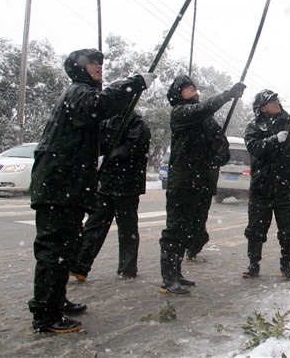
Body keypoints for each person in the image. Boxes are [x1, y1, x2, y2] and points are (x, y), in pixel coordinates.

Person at [28, 48, 156, 333]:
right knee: (54, 248)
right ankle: (45, 315)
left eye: (100, 62)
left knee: (66, 246)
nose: (98, 66)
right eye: (92, 62)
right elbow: (101, 104)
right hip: (58, 184)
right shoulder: (78, 92)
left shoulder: (84, 95)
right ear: (77, 68)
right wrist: (134, 83)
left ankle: (56, 299)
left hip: (69, 185)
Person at [159, 75, 246, 296]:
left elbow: (222, 152)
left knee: (190, 229)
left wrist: (218, 150)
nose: (192, 88)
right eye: (185, 88)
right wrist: (228, 95)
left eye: (193, 86)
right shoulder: (180, 113)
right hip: (183, 181)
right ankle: (168, 278)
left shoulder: (206, 120)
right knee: (175, 229)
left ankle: (177, 273)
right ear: (177, 95)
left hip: (202, 183)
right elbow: (203, 109)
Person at [242, 89, 290, 280]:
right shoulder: (253, 126)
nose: (276, 102)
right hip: (262, 187)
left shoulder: (287, 122)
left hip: (285, 187)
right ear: (262, 107)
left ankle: (286, 263)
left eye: (277, 99)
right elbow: (254, 148)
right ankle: (253, 264)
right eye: (271, 100)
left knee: (289, 228)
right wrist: (274, 140)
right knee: (256, 228)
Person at [69, 110, 151, 281]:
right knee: (95, 224)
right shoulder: (106, 119)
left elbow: (134, 148)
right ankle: (80, 265)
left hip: (127, 184)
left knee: (127, 228)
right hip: (107, 182)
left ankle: (127, 269)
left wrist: (108, 157)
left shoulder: (137, 122)